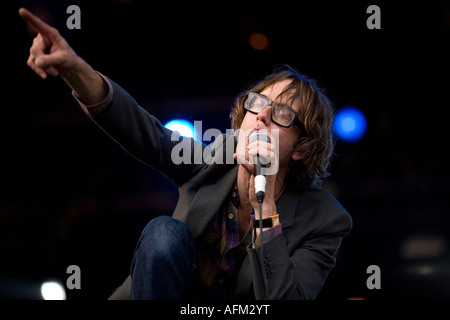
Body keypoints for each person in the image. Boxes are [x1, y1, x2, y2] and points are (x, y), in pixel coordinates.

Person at [19, 7, 352, 300]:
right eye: (257, 103)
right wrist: (73, 68)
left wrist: (265, 206)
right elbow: (140, 129)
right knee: (165, 232)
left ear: (301, 148)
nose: (262, 114)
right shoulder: (211, 161)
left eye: (281, 113)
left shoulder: (325, 219)